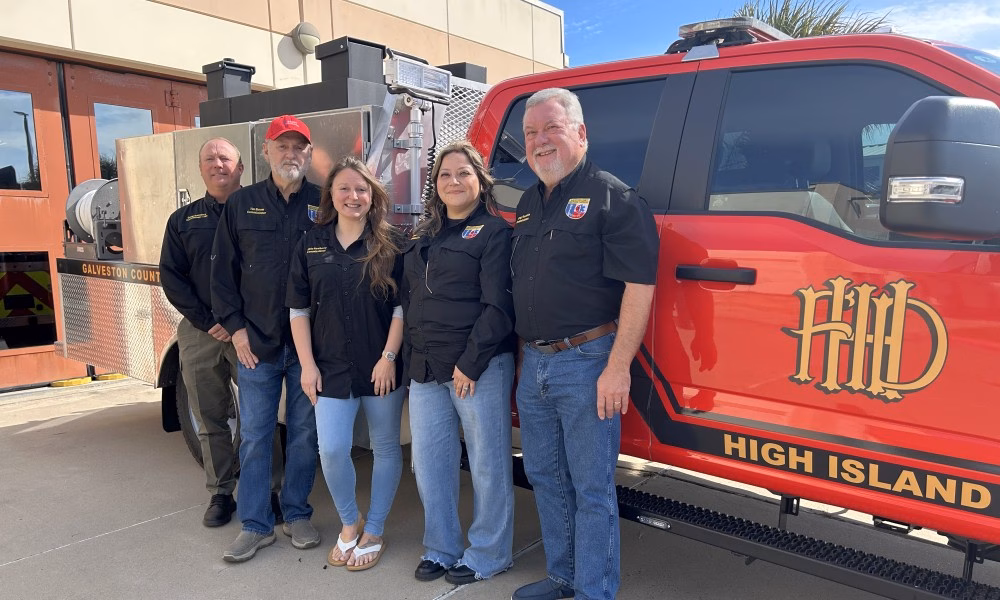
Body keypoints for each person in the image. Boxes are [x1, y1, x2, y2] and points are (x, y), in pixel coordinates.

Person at [510, 88, 658, 600]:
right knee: (546, 478)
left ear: (580, 132)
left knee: (591, 489)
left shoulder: (614, 197)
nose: (539, 142)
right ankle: (562, 578)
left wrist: (618, 368)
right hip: (535, 365)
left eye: (551, 128)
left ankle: (594, 591)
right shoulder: (529, 201)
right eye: (530, 134)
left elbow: (640, 287)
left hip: (588, 362)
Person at [401, 141, 515, 586]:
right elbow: (411, 299)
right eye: (445, 175)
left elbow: (498, 307)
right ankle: (442, 548)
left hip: (476, 368)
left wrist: (470, 363)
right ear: (436, 186)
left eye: (463, 173)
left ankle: (488, 552)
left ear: (480, 180)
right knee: (430, 464)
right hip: (427, 370)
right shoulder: (425, 236)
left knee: (487, 464)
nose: (454, 181)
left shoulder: (494, 233)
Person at [212, 115, 321, 563]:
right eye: (282, 146)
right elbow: (222, 275)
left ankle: (295, 512)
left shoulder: (324, 203)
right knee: (256, 435)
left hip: (307, 347)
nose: (290, 154)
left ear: (309, 154)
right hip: (255, 345)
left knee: (303, 434)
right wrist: (237, 331)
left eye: (298, 147)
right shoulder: (242, 204)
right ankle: (256, 524)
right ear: (266, 151)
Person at [159, 138, 285, 528]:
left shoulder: (260, 210)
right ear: (200, 170)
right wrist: (206, 319)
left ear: (242, 166)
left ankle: (267, 491)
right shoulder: (184, 220)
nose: (218, 164)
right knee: (210, 415)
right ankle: (220, 492)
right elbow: (172, 276)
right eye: (209, 159)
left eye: (225, 158)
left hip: (250, 331)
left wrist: (241, 322)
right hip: (202, 332)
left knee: (260, 417)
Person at [287, 156, 405, 572]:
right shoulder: (311, 243)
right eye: (344, 188)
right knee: (333, 450)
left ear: (372, 196)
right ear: (331, 196)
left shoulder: (391, 244)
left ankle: (374, 529)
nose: (353, 196)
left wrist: (389, 358)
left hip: (380, 368)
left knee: (386, 447)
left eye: (361, 189)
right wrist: (307, 366)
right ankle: (350, 521)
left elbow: (401, 310)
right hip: (330, 367)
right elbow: (298, 310)